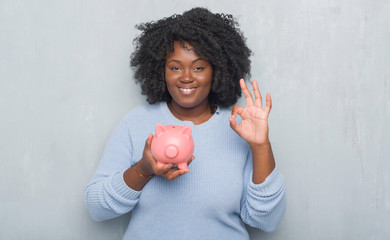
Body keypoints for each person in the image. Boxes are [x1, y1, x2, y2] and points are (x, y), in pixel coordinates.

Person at [85, 7, 286, 240]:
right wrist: (144, 169)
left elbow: (267, 221)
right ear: (161, 71)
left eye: (199, 67)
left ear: (217, 70)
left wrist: (261, 146)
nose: (187, 77)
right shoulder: (136, 123)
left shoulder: (239, 128)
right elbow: (97, 208)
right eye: (175, 67)